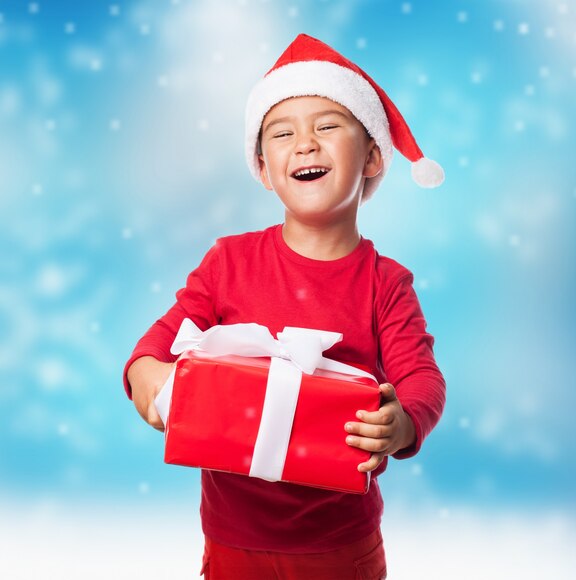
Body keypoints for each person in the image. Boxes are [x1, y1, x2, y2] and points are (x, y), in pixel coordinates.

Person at [123, 34, 446, 579]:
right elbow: (153, 347)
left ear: (371, 157)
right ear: (265, 168)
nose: (305, 144)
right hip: (231, 540)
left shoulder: (385, 283)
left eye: (326, 126)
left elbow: (422, 378)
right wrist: (149, 374)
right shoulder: (228, 262)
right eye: (282, 133)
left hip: (343, 545)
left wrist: (404, 422)